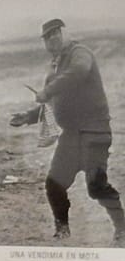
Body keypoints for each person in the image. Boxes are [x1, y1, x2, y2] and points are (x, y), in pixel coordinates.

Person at [11, 17, 125, 245]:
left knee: (96, 187)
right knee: (54, 184)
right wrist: (28, 117)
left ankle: (122, 228)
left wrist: (47, 89)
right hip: (71, 136)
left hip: (94, 132)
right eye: (47, 37)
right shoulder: (56, 68)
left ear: (65, 34)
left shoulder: (80, 53)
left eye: (56, 34)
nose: (52, 39)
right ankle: (62, 231)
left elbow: (79, 72)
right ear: (45, 44)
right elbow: (51, 102)